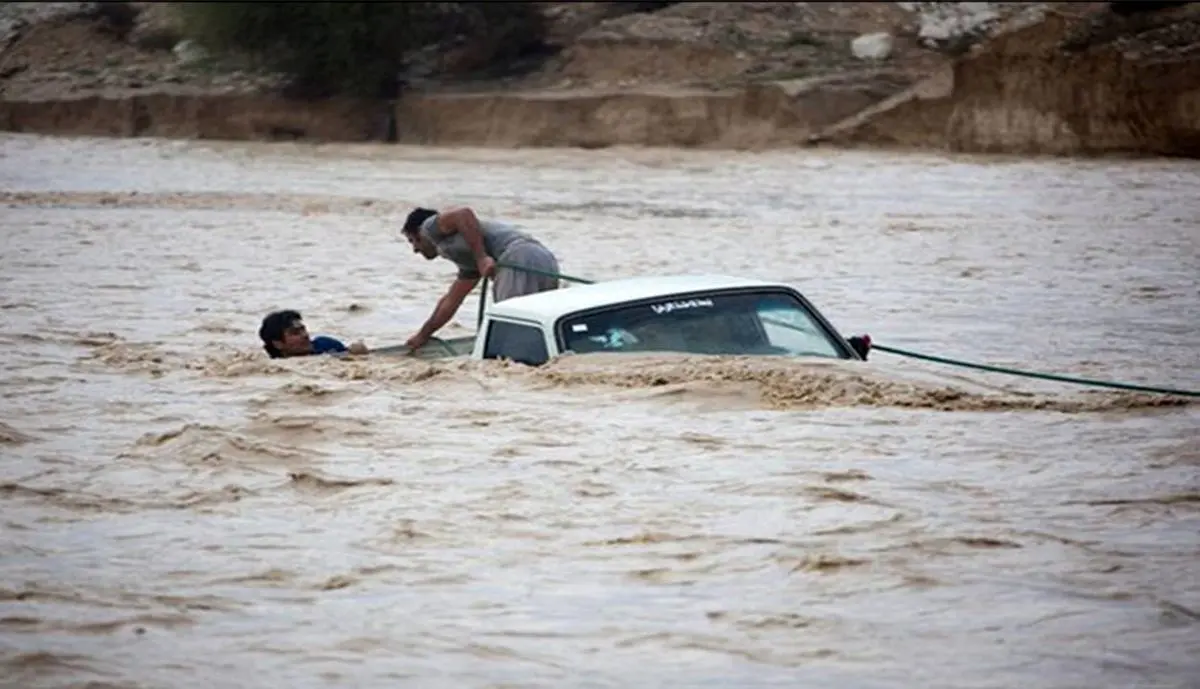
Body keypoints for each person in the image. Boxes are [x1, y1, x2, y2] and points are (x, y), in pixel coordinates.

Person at [400, 205, 561, 351]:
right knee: (534, 323)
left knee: (511, 324)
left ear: (418, 232)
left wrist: (481, 257)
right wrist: (423, 335)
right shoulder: (466, 261)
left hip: (518, 257)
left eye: (412, 241)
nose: (415, 249)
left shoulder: (429, 228)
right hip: (544, 259)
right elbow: (451, 301)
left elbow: (464, 214)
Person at [258, 309, 368, 359]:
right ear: (278, 344)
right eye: (295, 333)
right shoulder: (273, 367)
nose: (305, 335)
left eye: (303, 329)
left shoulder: (326, 345)